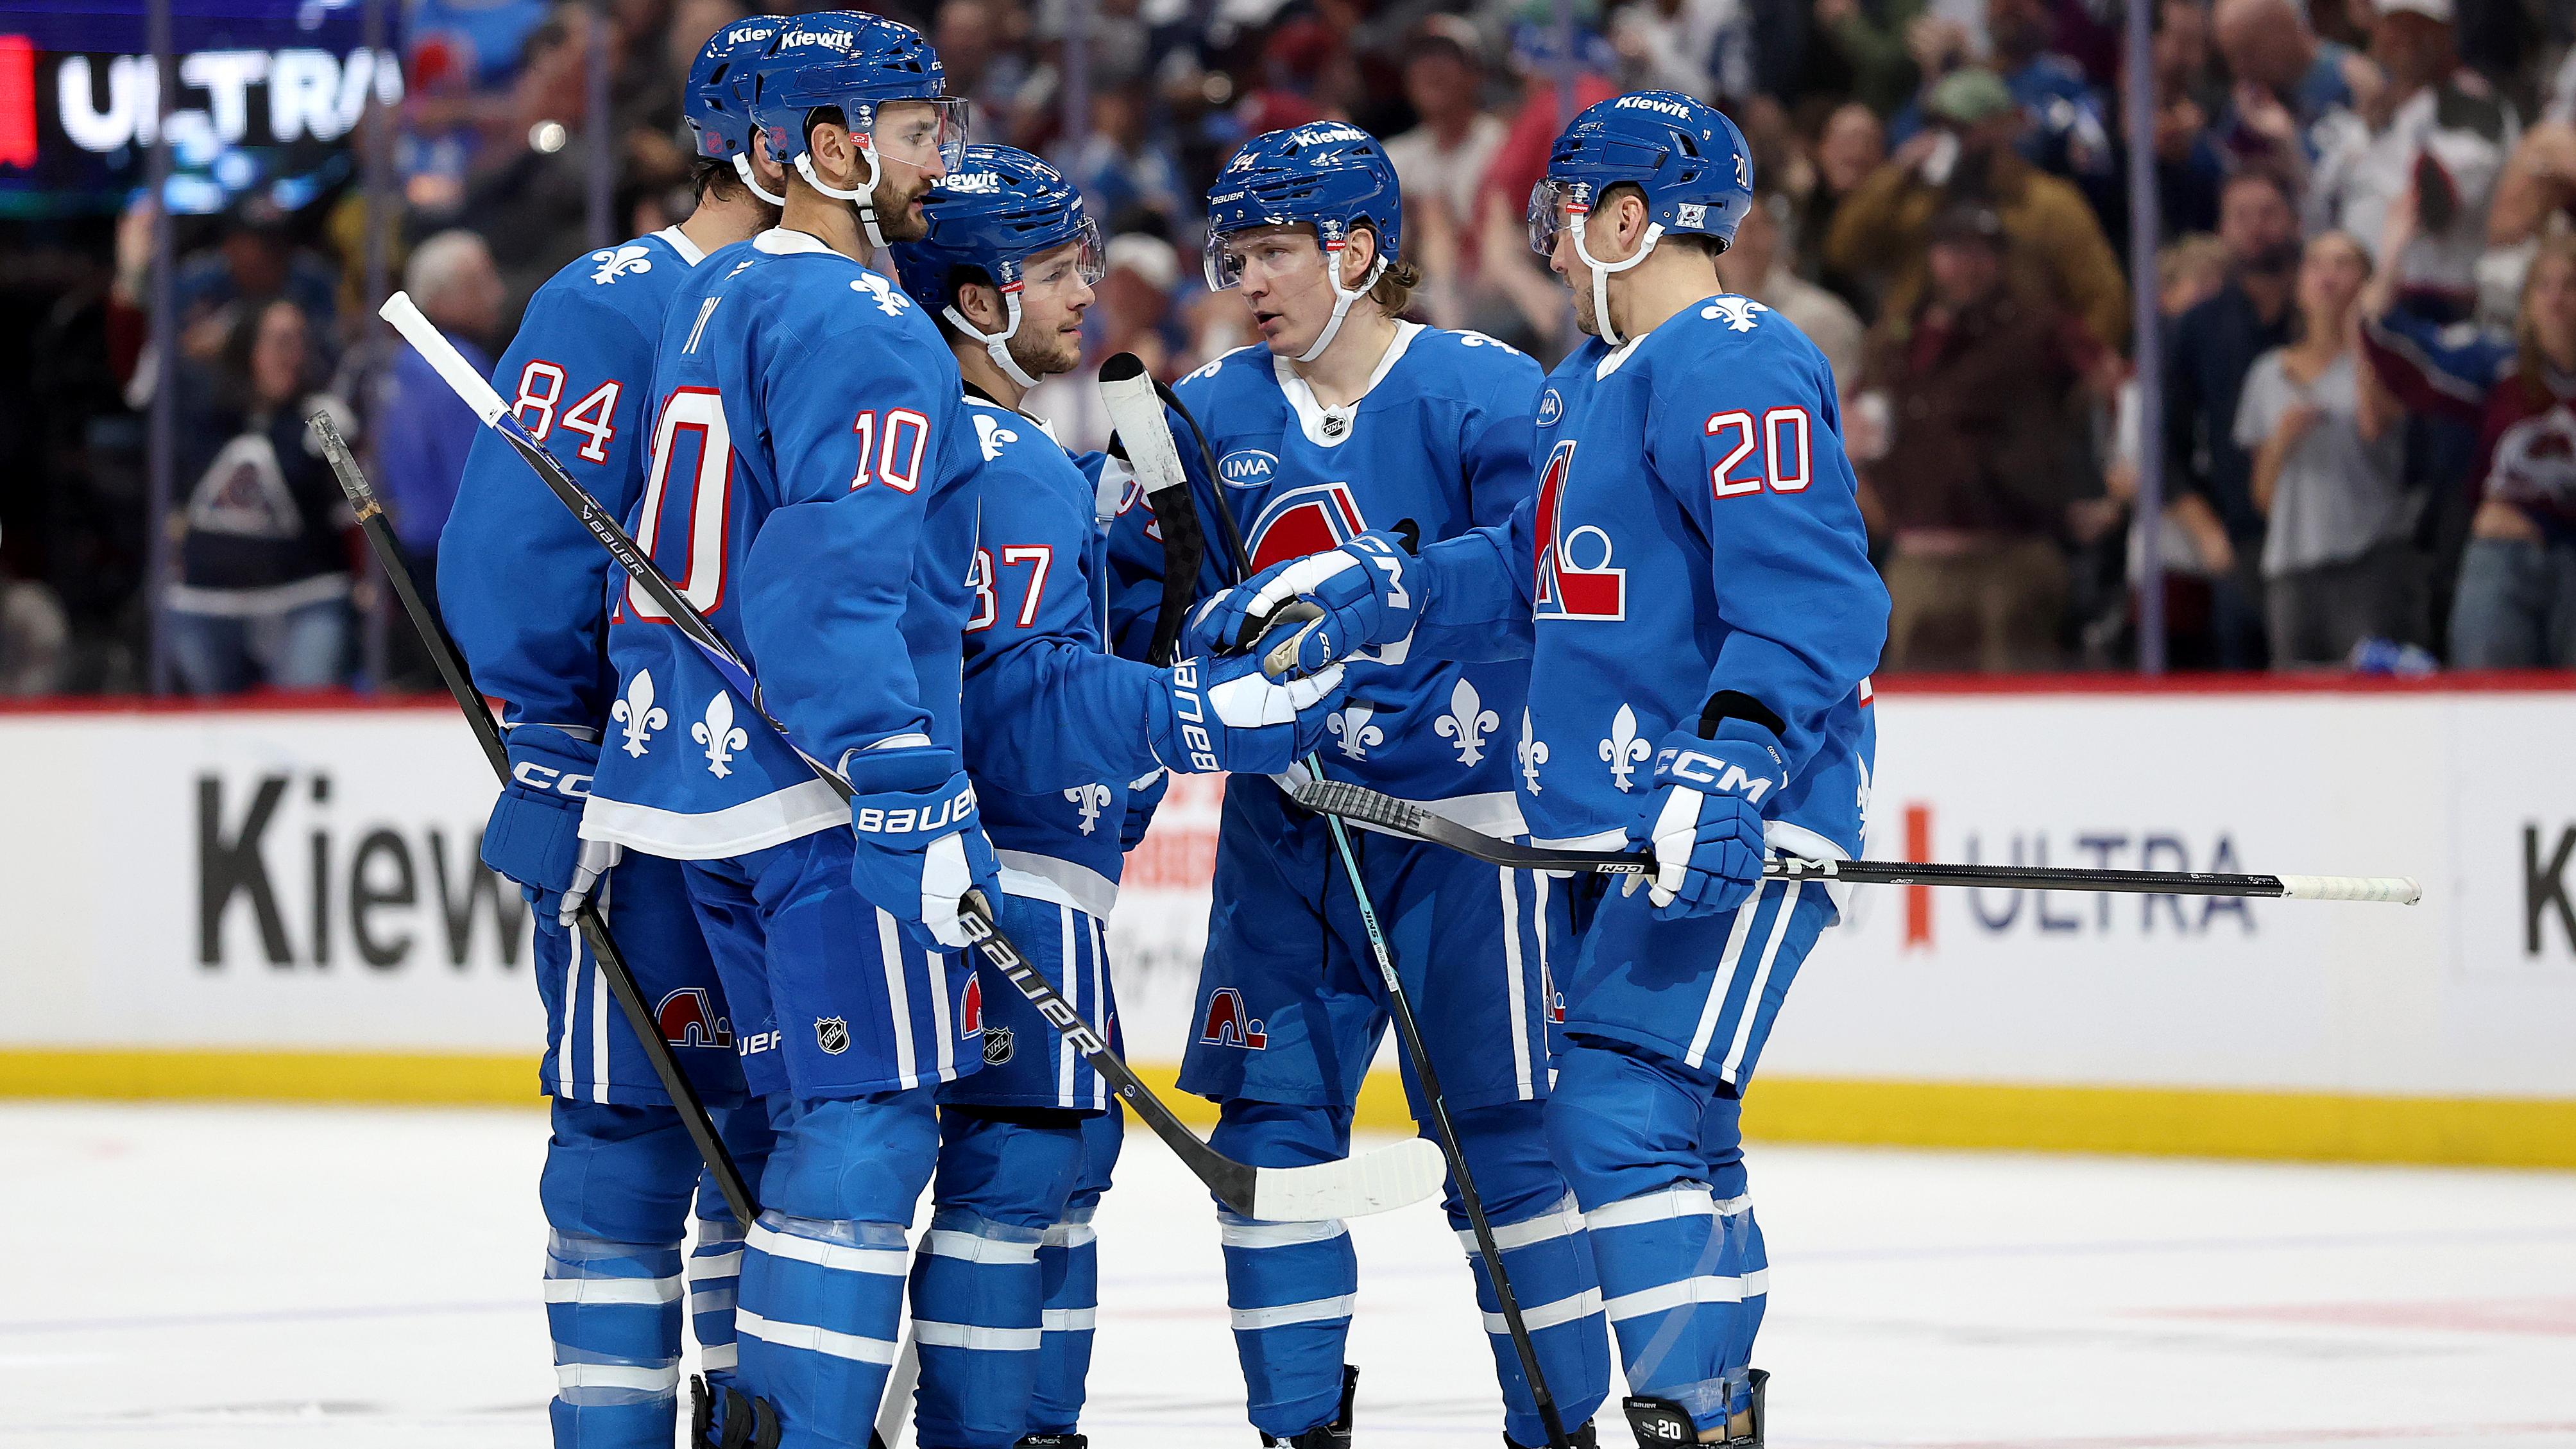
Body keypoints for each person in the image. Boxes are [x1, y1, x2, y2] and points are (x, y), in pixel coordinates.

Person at [1207, 90, 1886, 1448]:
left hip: (1724, 820)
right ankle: (1713, 1410)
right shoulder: (1586, 383)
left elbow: (1813, 596)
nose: (1555, 247)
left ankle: (1684, 1414)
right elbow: (1526, 572)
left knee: (1621, 1109)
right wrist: (1379, 592)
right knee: (1676, 1128)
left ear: (1629, 219)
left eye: (1569, 217)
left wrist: (1737, 754)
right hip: (1614, 834)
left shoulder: (1734, 356)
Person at [1107, 123, 1612, 1449]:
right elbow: (1150, 616)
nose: (1247, 280)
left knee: (1507, 1137)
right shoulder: (1203, 414)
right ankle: (1297, 1431)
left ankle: (1555, 1426)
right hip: (1292, 834)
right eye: (1236, 254)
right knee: (1273, 1134)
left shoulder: (1489, 393)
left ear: (1358, 249)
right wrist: (1191, 643)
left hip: (1468, 827)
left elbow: (1541, 575)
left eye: (1274, 251)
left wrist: (1401, 589)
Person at [891, 143, 1342, 1449]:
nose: (1083, 295)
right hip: (1011, 871)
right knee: (1026, 1170)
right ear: (973, 299)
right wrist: (1182, 711)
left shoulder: (935, 442)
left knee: (1034, 1170)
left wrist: (1137, 625)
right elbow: (1032, 696)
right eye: (1049, 272)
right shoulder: (1012, 462)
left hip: (955, 860)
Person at [435, 21, 787, 1447]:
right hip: (635, 800)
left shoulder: (839, 300)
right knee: (630, 1136)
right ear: (781, 143)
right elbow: (511, 550)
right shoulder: (608, 300)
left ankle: (747, 1414)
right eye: (883, 125)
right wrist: (559, 744)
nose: (911, 157)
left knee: (774, 1137)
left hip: (786, 807)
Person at [1861, 203, 2110, 672]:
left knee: (2024, 714)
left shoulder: (2041, 331)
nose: (1966, 266)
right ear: (1932, 259)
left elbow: (2111, 388)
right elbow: (1856, 422)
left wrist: (2103, 491)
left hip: (2011, 556)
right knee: (1920, 718)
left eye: (1980, 253)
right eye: (1953, 252)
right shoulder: (1900, 339)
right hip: (1918, 559)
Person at [2364, 230, 2576, 665]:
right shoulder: (2497, 366)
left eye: (2571, 285)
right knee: (2489, 704)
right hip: (2501, 558)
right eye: (2544, 285)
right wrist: (2392, 252)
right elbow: (2395, 344)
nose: (2556, 299)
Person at [1825, 67, 2129, 350]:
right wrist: (1895, 174)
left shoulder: (2049, 204)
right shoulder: (1916, 200)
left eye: (1961, 127)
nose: (1950, 138)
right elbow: (1845, 252)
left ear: (2003, 128)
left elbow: (2105, 300)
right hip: (1921, 368)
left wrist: (2071, 369)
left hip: (2015, 371)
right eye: (1939, 126)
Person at [2232, 231, 2416, 665]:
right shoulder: (2266, 375)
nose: (2328, 276)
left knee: (2367, 693)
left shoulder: (2385, 367)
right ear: (2299, 285)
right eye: (2316, 264)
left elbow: (2375, 426)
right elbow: (2261, 497)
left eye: (2343, 264)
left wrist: (2362, 332)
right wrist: (2280, 440)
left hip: (2366, 560)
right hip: (2292, 564)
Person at [164, 298, 355, 696]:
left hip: (305, 602)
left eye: (301, 341)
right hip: (206, 606)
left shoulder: (323, 419)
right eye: (281, 341)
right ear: (245, 347)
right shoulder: (201, 414)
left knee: (305, 730)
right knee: (215, 739)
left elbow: (355, 511)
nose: (294, 355)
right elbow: (140, 387)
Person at [2163, 168, 2308, 669]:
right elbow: (2165, 440)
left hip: (2338, 539)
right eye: (2240, 216)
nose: (2255, 228)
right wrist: (2204, 530)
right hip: (2243, 538)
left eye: (2267, 214)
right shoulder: (2199, 326)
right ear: (2222, 229)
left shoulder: (2328, 313)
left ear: (2294, 220)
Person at [2305, 0, 2520, 316]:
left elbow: (2436, 204)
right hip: (2350, 299)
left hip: (2433, 304)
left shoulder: (2474, 107)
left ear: (2447, 32)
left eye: (2421, 25)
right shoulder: (2368, 113)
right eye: (2397, 23)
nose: (2407, 37)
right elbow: (2319, 203)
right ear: (2376, 28)